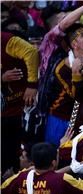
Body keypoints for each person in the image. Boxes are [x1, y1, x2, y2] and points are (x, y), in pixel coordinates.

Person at [1, 31, 39, 175]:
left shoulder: (5, 40)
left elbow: (31, 52)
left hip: (19, 108)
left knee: (15, 152)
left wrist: (32, 85)